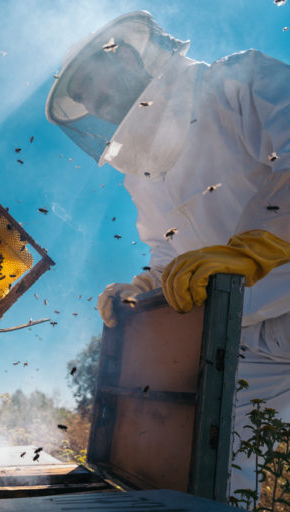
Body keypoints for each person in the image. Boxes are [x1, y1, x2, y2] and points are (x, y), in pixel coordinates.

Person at [45, 11, 290, 495]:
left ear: (133, 55)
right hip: (244, 333)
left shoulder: (237, 80)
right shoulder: (138, 176)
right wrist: (144, 288)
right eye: (86, 95)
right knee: (214, 470)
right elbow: (168, 247)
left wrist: (265, 243)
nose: (98, 97)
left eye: (98, 78)